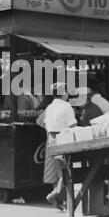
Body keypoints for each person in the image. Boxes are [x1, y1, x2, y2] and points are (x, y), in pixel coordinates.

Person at [42, 82, 77, 210]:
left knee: (57, 171)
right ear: (64, 93)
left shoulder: (50, 107)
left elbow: (45, 124)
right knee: (66, 171)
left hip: (51, 139)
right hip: (63, 138)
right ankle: (56, 195)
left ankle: (59, 201)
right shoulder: (66, 106)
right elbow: (72, 125)